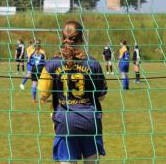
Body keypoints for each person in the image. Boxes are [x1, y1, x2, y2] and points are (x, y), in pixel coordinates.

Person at [39, 21, 107, 164]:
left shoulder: (52, 64)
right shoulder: (92, 63)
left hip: (65, 123)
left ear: (62, 37)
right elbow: (101, 96)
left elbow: (42, 96)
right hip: (89, 121)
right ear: (82, 39)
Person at [21, 39, 46, 103]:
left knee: (34, 84)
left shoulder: (31, 51)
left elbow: (28, 60)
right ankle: (43, 99)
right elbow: (45, 60)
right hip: (41, 68)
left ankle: (34, 99)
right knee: (42, 84)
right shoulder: (42, 51)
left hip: (34, 68)